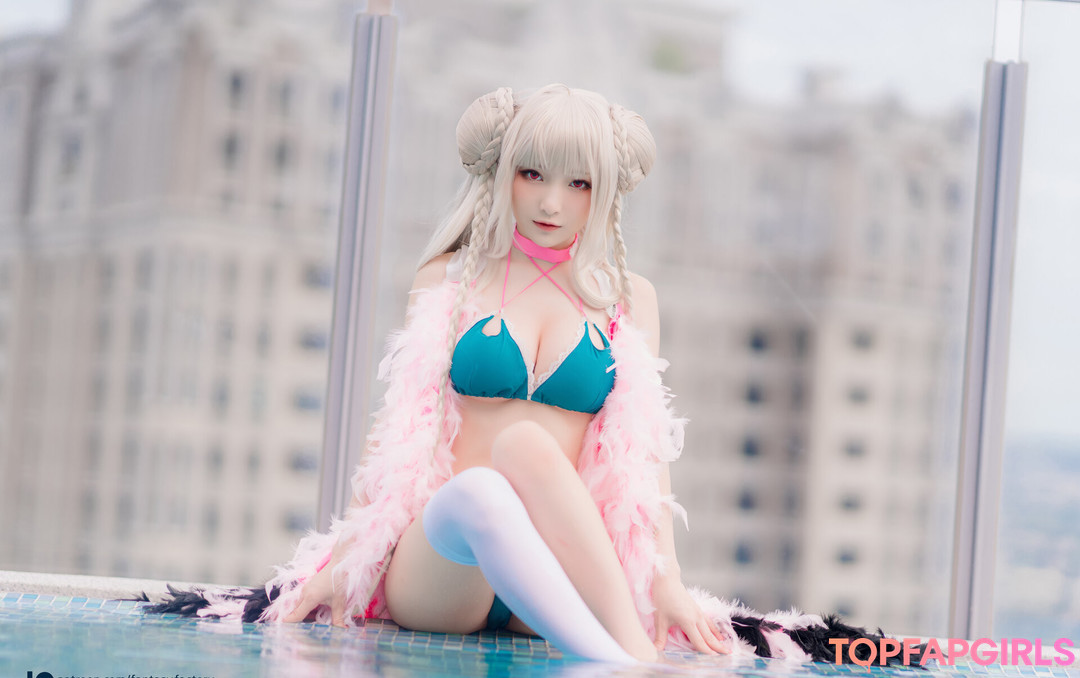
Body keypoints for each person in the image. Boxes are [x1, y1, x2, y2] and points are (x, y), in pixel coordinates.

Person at [146, 84, 910, 667]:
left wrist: (665, 581)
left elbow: (644, 457)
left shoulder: (628, 301)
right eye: (533, 173)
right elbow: (399, 436)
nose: (550, 201)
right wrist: (343, 560)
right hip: (444, 569)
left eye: (579, 183)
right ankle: (630, 664)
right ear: (503, 173)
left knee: (527, 451)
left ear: (606, 192)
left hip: (557, 575)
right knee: (491, 479)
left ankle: (624, 652)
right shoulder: (452, 281)